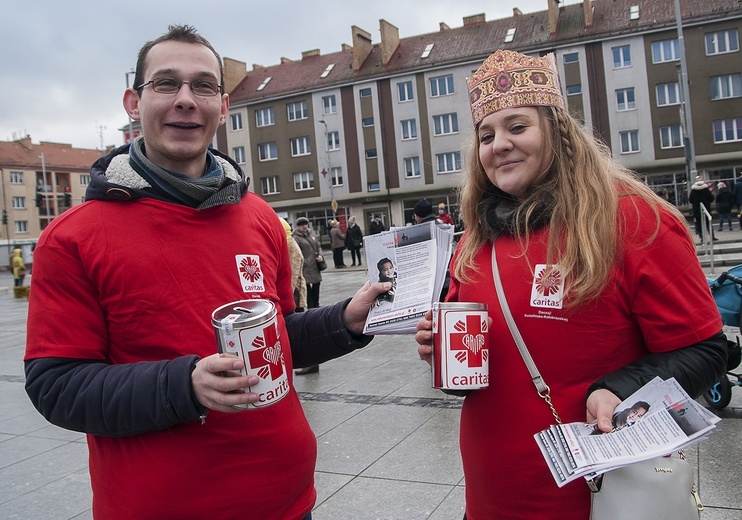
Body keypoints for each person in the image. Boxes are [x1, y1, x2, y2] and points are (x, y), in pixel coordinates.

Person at [22, 25, 391, 520]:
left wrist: (344, 320)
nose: (185, 100)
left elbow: (276, 339)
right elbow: (56, 386)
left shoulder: (259, 217)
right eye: (166, 84)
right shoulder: (72, 238)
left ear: (223, 105)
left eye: (203, 86)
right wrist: (186, 386)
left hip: (288, 502)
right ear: (133, 102)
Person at [414, 49, 726, 519]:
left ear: (558, 132)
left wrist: (620, 388)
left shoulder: (634, 219)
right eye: (486, 135)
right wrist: (441, 353)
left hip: (600, 501)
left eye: (517, 127)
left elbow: (707, 350)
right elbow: (476, 372)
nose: (499, 144)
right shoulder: (474, 243)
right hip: (489, 502)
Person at [292, 216, 323, 375]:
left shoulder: (311, 235)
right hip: (305, 275)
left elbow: (318, 246)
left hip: (314, 273)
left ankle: (311, 361)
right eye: (302, 225)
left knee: (312, 306)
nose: (304, 227)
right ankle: (311, 361)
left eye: (305, 224)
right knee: (307, 310)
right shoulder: (295, 239)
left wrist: (320, 256)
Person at [281, 218, 307, 312]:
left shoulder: (289, 244)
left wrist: (287, 295)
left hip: (295, 294)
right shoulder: (287, 242)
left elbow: (293, 273)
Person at [689, 176, 717, 241]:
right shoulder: (706, 189)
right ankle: (712, 236)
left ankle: (702, 237)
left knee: (699, 224)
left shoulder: (693, 190)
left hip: (697, 210)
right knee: (708, 223)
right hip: (706, 209)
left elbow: (690, 200)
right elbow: (711, 198)